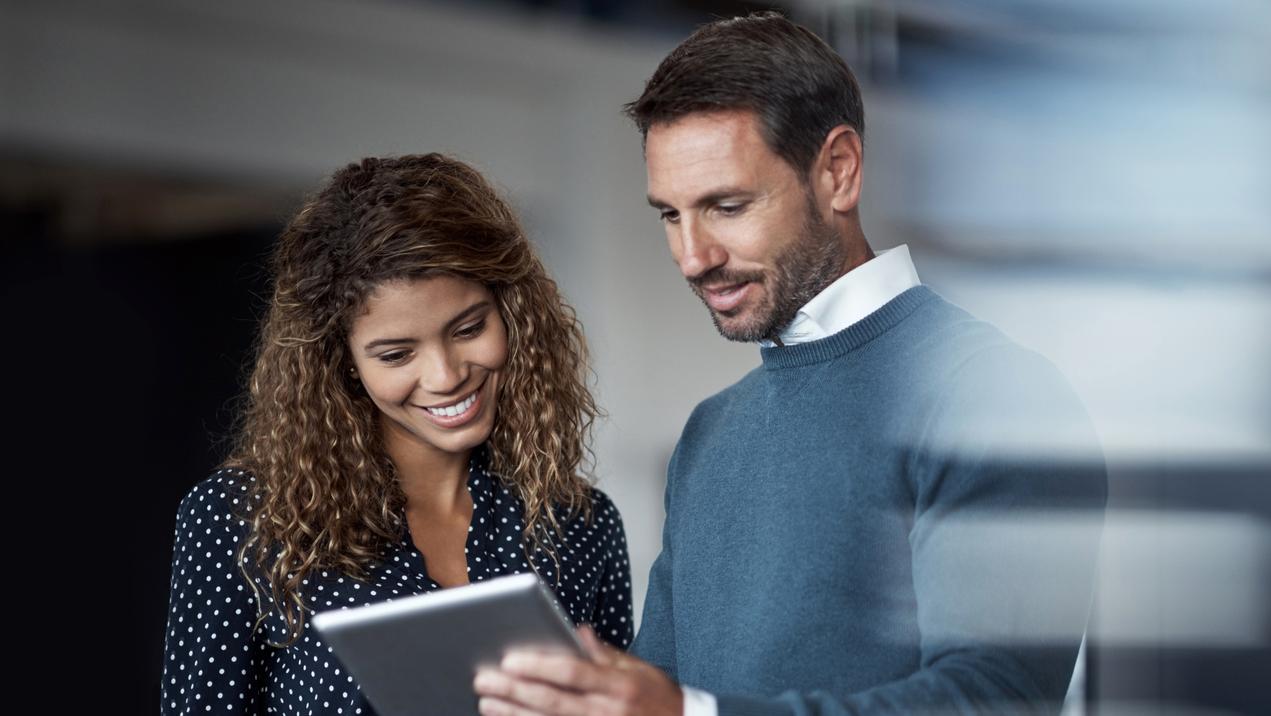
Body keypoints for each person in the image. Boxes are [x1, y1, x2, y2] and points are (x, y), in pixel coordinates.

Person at [475, 12, 1107, 716]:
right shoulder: (710, 435)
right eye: (670, 215)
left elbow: (993, 700)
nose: (694, 257)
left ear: (838, 171)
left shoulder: (992, 394)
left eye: (727, 205)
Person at [161, 154, 633, 715]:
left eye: (469, 328)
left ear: (513, 313)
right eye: (396, 353)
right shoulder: (241, 519)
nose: (446, 375)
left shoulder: (580, 524)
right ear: (342, 365)